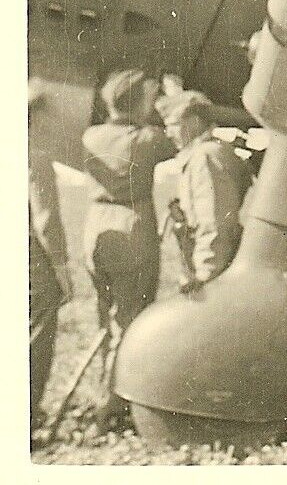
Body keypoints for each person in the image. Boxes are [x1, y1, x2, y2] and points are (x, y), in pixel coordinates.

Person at [81, 70, 175, 429]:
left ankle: (105, 392)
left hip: (96, 226)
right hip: (132, 227)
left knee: (106, 317)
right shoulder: (147, 139)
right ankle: (114, 405)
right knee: (131, 319)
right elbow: (179, 135)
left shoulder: (92, 135)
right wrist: (172, 95)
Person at [157, 90, 253, 290]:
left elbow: (214, 221)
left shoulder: (205, 157)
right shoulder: (206, 153)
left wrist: (205, 272)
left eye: (173, 125)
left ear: (193, 122)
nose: (168, 133)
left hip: (214, 270)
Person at [28, 87, 73, 437]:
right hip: (32, 261)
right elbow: (46, 222)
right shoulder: (35, 158)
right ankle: (26, 415)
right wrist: (61, 270)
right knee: (37, 335)